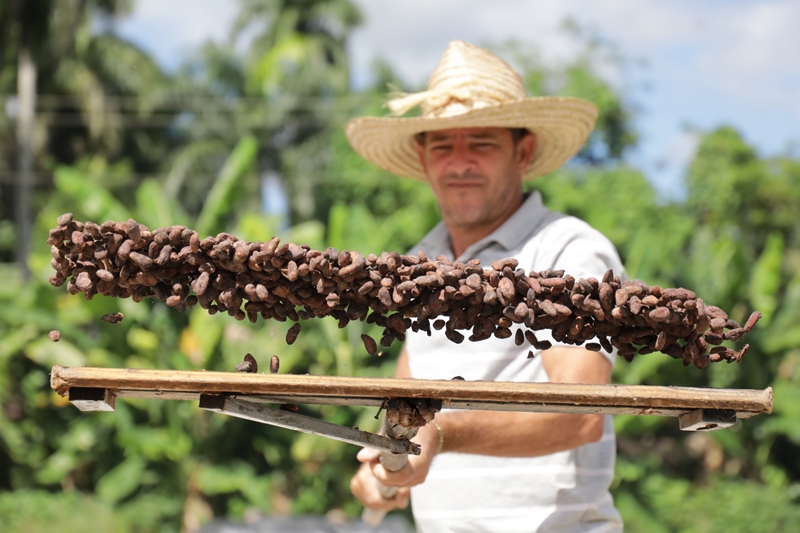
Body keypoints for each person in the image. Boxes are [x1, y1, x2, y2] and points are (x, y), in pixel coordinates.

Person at [346, 40, 625, 532]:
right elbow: (407, 409)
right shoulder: (415, 268)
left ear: (524, 150)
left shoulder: (567, 251)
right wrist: (381, 473)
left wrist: (443, 433)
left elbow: (583, 412)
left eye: (481, 142)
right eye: (443, 144)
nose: (460, 162)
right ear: (423, 156)